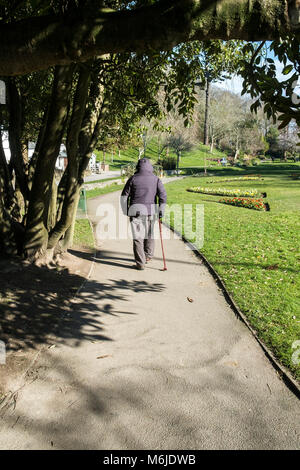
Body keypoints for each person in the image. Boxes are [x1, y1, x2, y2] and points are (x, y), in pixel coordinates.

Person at [120, 158, 167, 270]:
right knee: (149, 234)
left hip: (135, 212)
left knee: (138, 237)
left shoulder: (132, 179)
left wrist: (125, 210)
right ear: (150, 167)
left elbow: (124, 197)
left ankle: (140, 263)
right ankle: (148, 256)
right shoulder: (156, 179)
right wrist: (161, 211)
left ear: (138, 167)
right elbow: (163, 196)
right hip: (151, 211)